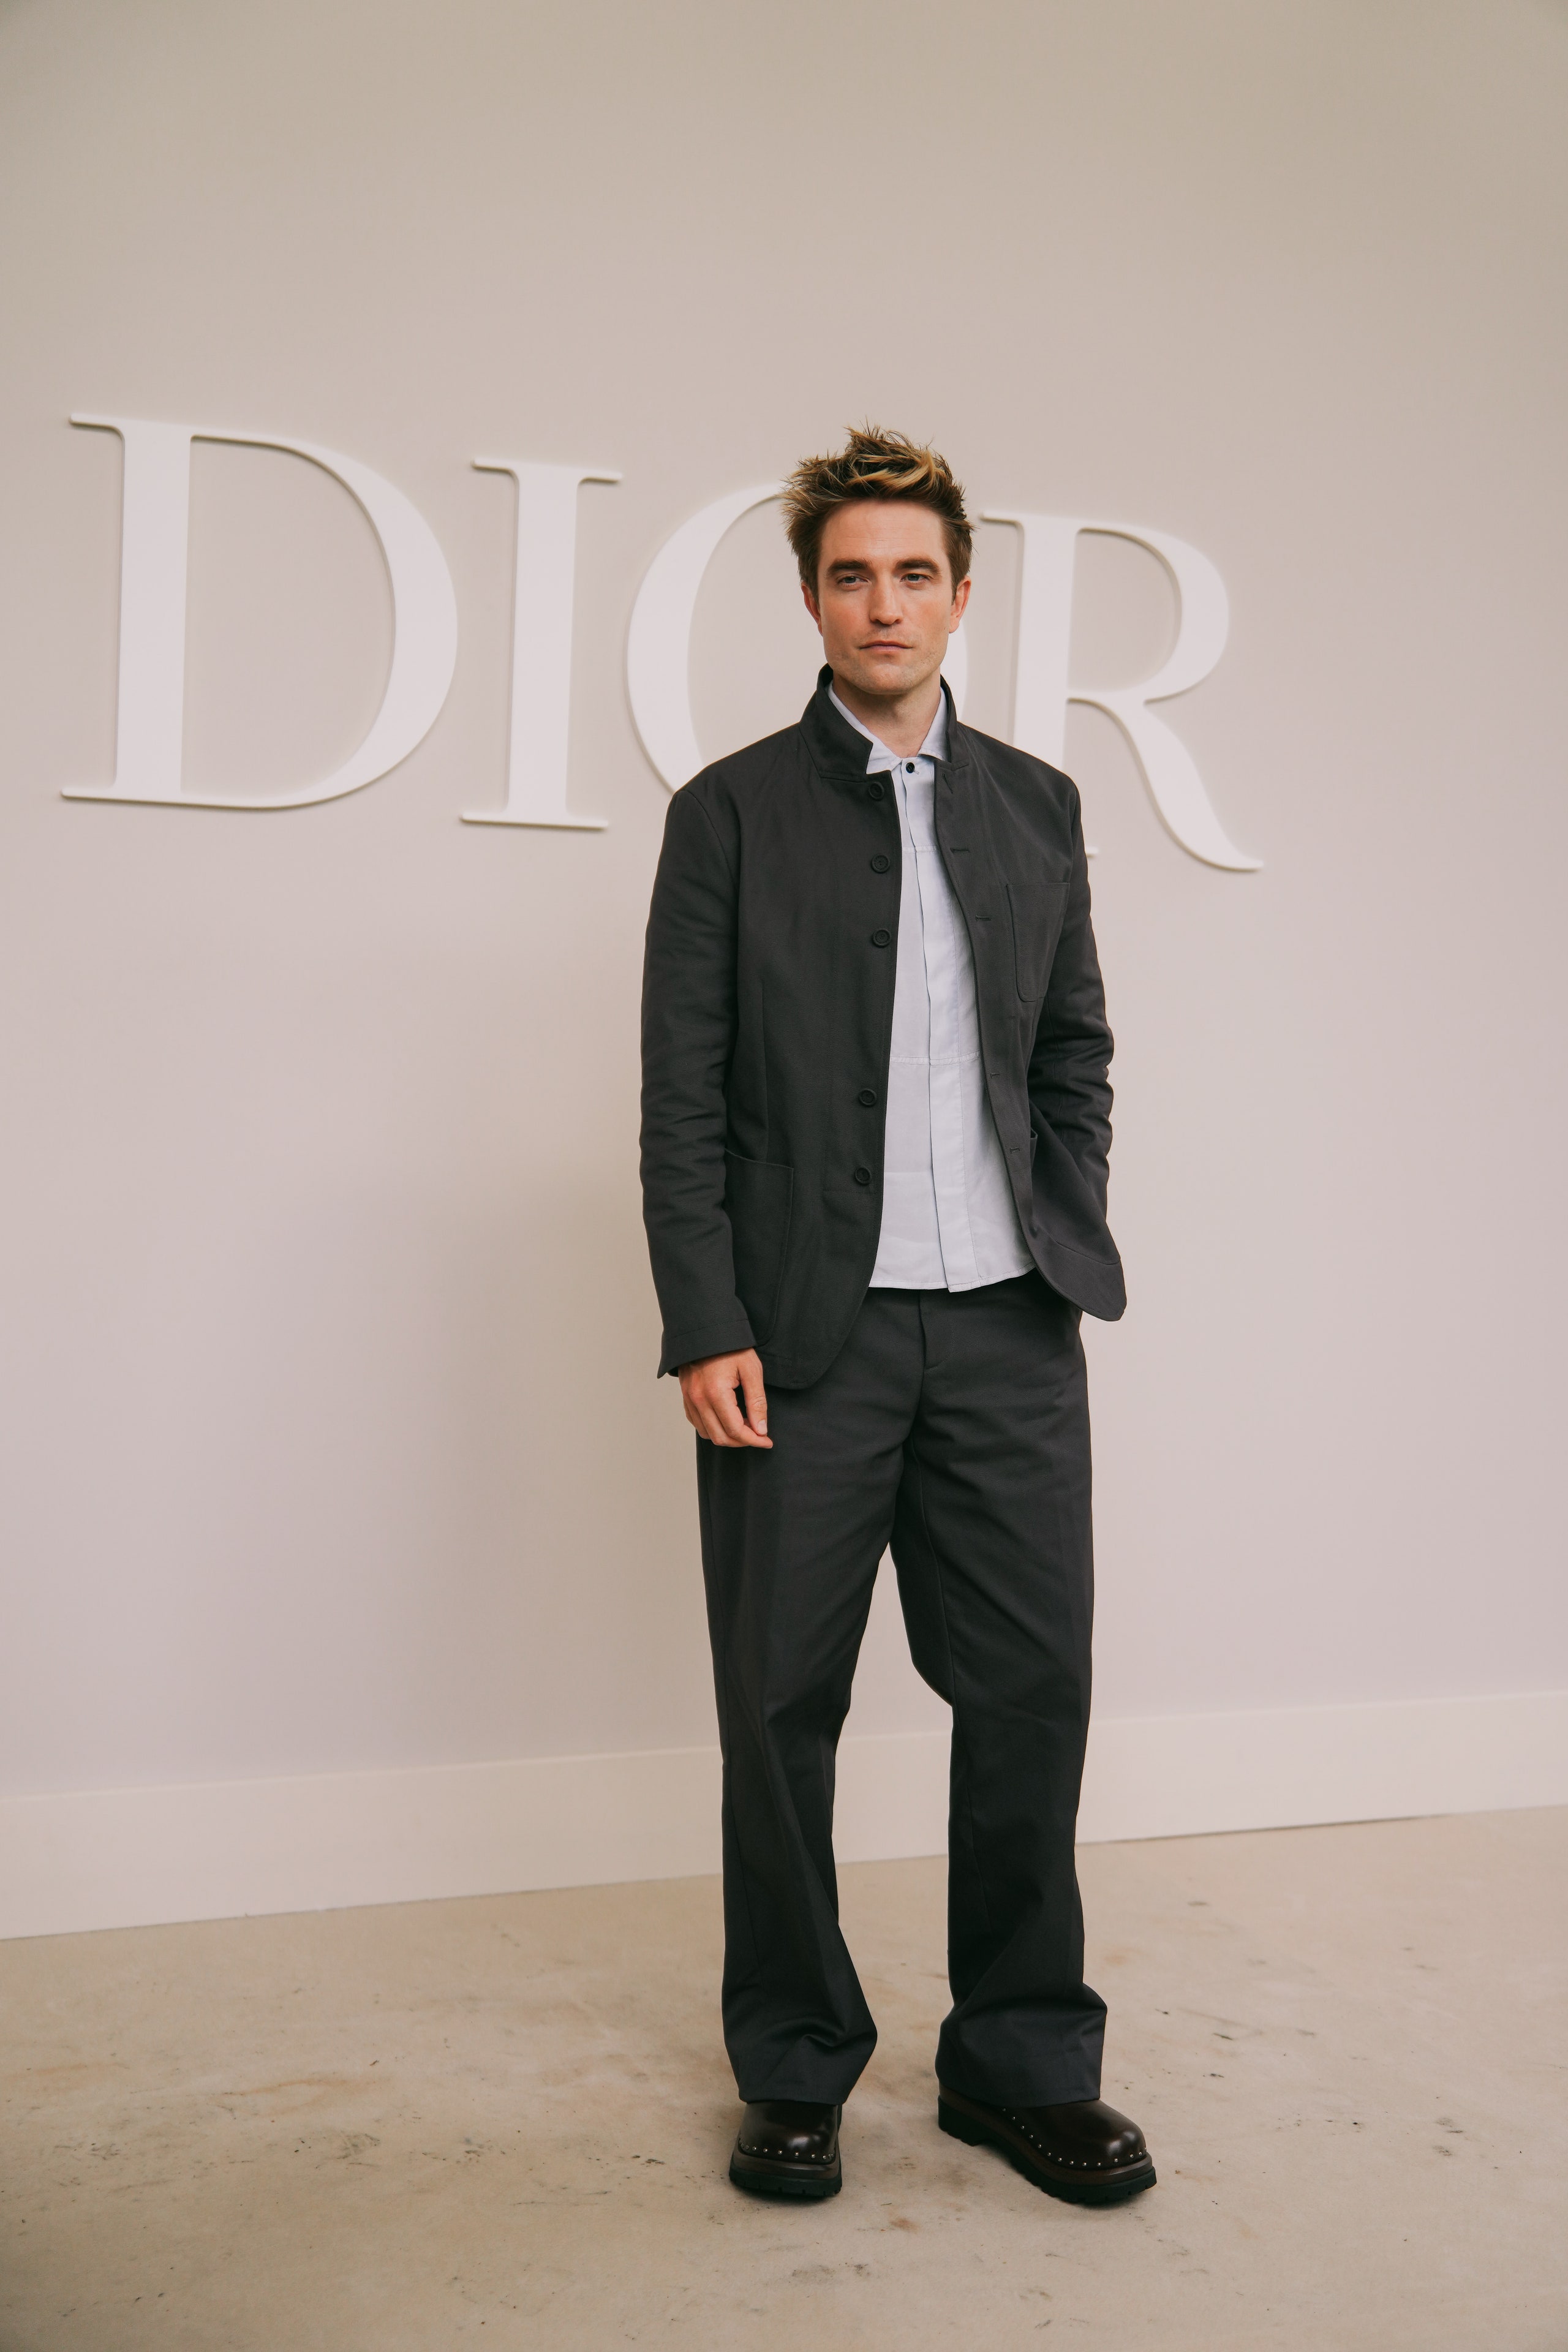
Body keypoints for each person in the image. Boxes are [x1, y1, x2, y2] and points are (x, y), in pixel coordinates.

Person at [639, 426, 1153, 2207]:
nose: (885, 603)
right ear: (811, 599)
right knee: (780, 1707)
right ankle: (795, 2065)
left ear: (960, 595)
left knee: (1032, 1692)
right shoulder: (729, 813)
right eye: (852, 575)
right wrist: (705, 1316)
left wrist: (1063, 1207)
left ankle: (1019, 2065)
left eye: (914, 574)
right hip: (802, 1341)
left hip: (1010, 1326)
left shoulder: (1039, 806)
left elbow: (1074, 1048)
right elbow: (683, 1095)